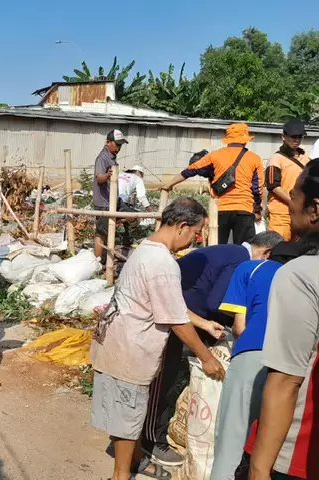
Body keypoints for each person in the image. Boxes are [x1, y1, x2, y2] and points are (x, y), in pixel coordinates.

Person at [90, 197, 225, 480]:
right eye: (195, 232)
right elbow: (175, 320)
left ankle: (136, 458)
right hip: (130, 348)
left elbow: (169, 303)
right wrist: (207, 357)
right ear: (182, 226)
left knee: (126, 411)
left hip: (116, 341)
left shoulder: (146, 249)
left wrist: (203, 323)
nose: (194, 239)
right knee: (127, 415)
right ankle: (120, 475)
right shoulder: (163, 262)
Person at [140, 231, 283, 467]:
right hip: (174, 315)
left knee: (171, 375)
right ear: (266, 253)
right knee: (164, 378)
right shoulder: (241, 259)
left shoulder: (233, 251)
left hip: (182, 312)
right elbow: (216, 302)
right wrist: (237, 316)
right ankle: (151, 441)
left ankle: (158, 433)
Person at [237, 160, 319, 480]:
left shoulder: (300, 275)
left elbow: (286, 380)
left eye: (294, 196)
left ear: (314, 209)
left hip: (295, 450)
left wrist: (259, 469)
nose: (289, 203)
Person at [210, 241, 305, 480]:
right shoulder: (307, 276)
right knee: (275, 443)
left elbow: (240, 327)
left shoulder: (250, 269)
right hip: (296, 363)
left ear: (269, 255)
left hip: (251, 353)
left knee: (233, 436)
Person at [163, 123, 265, 245]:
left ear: (228, 140)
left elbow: (190, 170)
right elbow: (258, 188)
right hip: (244, 209)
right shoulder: (255, 158)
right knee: (244, 249)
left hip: (221, 209)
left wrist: (168, 184)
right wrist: (257, 207)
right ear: (245, 140)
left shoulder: (215, 155)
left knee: (217, 246)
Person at [265, 119, 310, 241]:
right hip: (281, 215)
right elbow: (273, 186)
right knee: (278, 250)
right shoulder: (276, 159)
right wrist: (292, 202)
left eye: (300, 137)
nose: (296, 140)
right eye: (293, 137)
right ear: (283, 137)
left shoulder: (306, 159)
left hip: (301, 215)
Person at [93, 129, 129, 261]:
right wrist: (107, 176)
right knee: (101, 233)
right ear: (108, 142)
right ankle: (97, 262)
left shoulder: (112, 157)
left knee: (131, 216)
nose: (119, 148)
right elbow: (99, 178)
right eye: (117, 144)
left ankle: (116, 228)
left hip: (114, 200)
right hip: (103, 202)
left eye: (120, 145)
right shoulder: (102, 158)